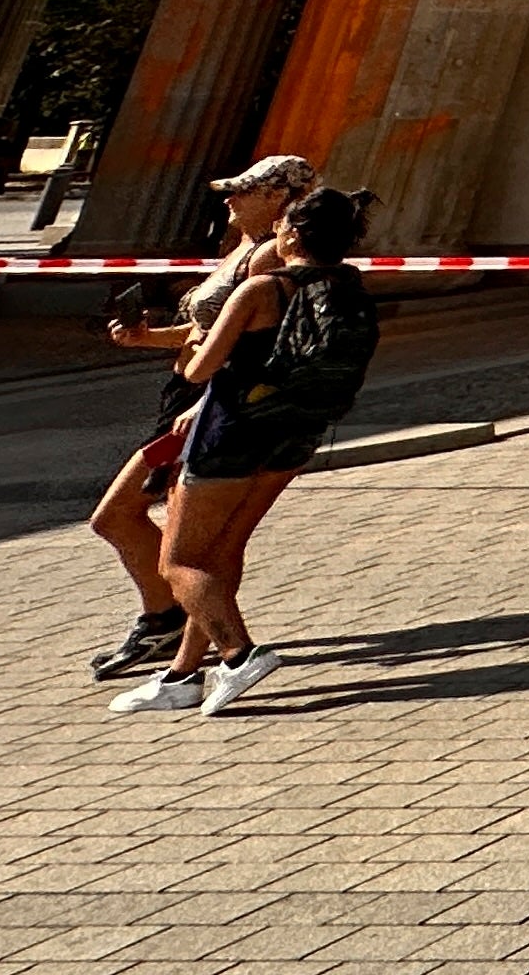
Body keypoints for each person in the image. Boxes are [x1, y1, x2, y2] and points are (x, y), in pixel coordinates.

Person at [107, 185, 381, 713]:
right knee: (221, 552)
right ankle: (182, 677)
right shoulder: (345, 286)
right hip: (294, 434)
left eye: (282, 224)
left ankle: (239, 655)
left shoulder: (259, 290)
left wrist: (185, 356)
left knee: (179, 562)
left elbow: (200, 369)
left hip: (231, 433)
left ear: (292, 234)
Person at [85, 152, 308, 684]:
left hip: (210, 403)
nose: (229, 199)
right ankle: (176, 629)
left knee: (119, 517)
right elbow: (206, 330)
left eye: (242, 191)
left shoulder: (270, 260)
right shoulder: (245, 248)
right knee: (182, 536)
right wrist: (146, 338)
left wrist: (202, 403)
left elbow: (253, 345)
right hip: (190, 395)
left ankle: (181, 628)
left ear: (278, 198)